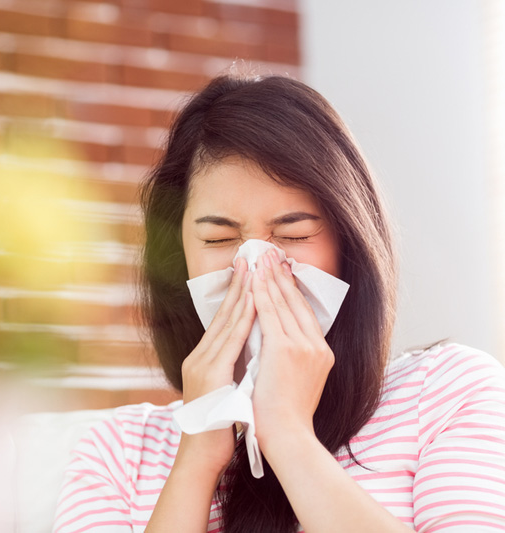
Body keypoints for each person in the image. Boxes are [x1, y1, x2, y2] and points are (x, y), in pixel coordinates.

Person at [51, 74, 505, 533]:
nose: (254, 264)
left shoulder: (449, 393)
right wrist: (198, 458)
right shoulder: (117, 453)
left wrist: (288, 435)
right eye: (219, 238)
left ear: (349, 246)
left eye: (294, 235)